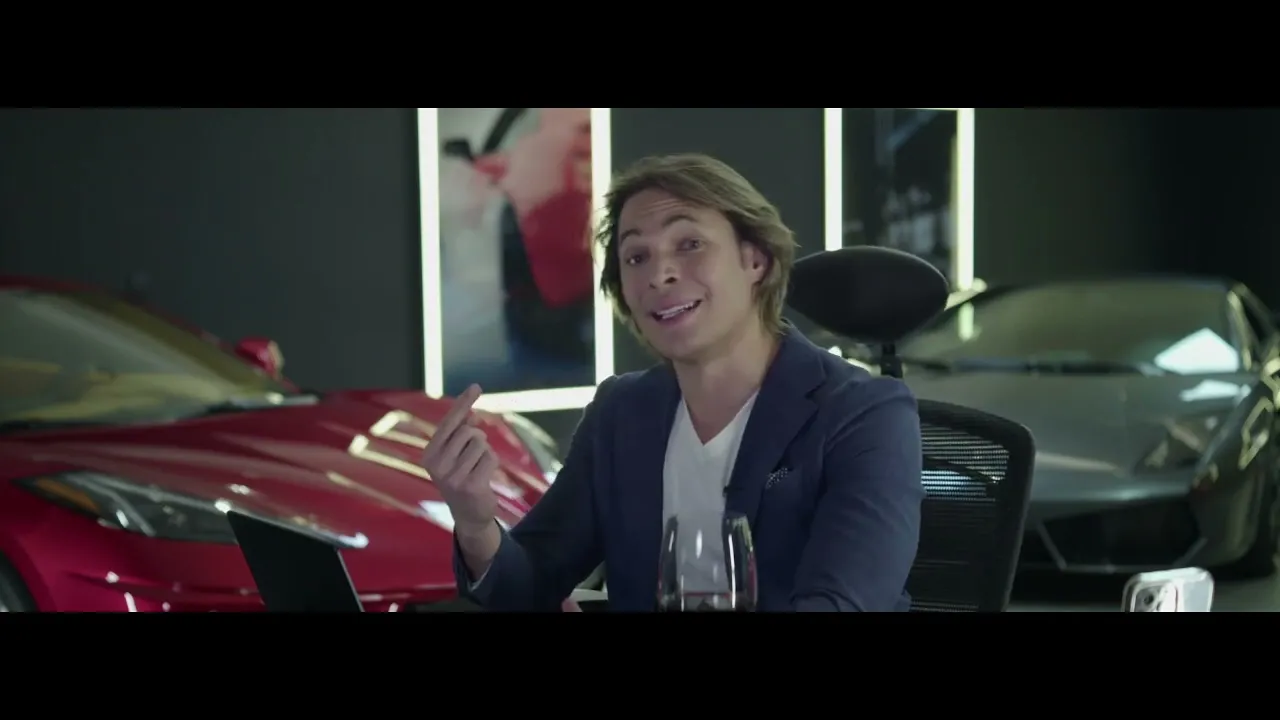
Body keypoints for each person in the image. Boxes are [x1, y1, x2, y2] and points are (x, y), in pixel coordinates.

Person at [422, 153, 925, 612]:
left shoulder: (864, 414)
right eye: (636, 257)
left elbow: (843, 604)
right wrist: (475, 522)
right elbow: (530, 584)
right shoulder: (621, 412)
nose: (659, 274)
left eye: (689, 244)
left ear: (755, 259)